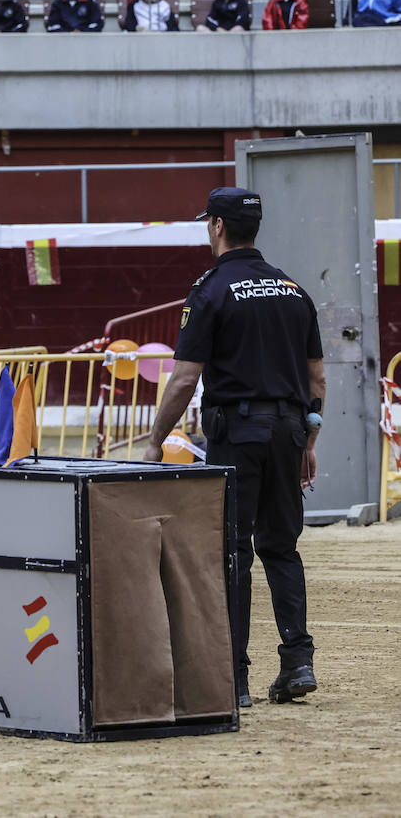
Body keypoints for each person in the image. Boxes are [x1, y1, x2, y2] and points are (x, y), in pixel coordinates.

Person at [142, 187, 325, 709]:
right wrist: (309, 441)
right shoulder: (294, 290)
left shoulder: (210, 291)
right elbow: (317, 378)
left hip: (237, 435)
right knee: (282, 547)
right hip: (290, 431)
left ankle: (234, 676)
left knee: (232, 553)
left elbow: (183, 381)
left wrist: (157, 441)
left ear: (218, 226)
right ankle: (297, 661)